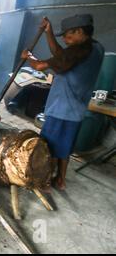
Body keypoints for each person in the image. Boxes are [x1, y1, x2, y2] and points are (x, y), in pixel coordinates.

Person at [21, 14, 105, 190]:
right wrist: (48, 32)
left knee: (48, 147)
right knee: (65, 149)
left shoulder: (77, 52)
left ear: (80, 32)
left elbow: (40, 66)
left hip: (61, 109)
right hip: (77, 112)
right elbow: (59, 54)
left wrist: (28, 57)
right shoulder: (97, 48)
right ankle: (61, 180)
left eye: (69, 36)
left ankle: (44, 180)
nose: (66, 40)